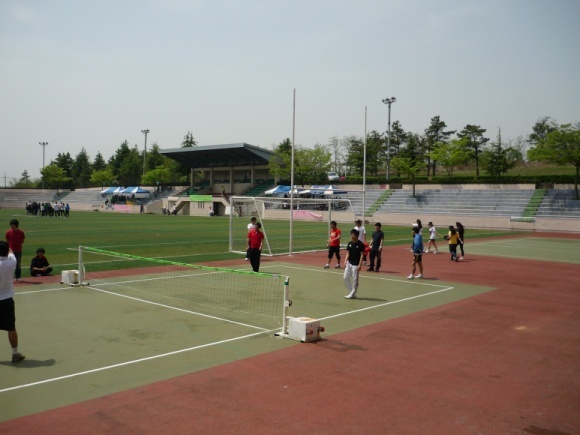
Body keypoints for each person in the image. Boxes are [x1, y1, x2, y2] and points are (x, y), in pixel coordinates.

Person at [0, 241, 25, 362]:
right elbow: (11, 252)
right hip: (7, 301)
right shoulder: (11, 262)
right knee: (11, 328)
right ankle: (15, 353)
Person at [343, 228, 365, 299]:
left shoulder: (361, 244)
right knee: (345, 278)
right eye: (351, 234)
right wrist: (345, 261)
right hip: (349, 263)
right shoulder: (350, 243)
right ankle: (352, 292)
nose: (352, 236)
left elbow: (362, 255)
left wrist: (360, 265)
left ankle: (352, 294)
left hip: (356, 265)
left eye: (353, 235)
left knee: (355, 280)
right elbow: (348, 253)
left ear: (357, 235)